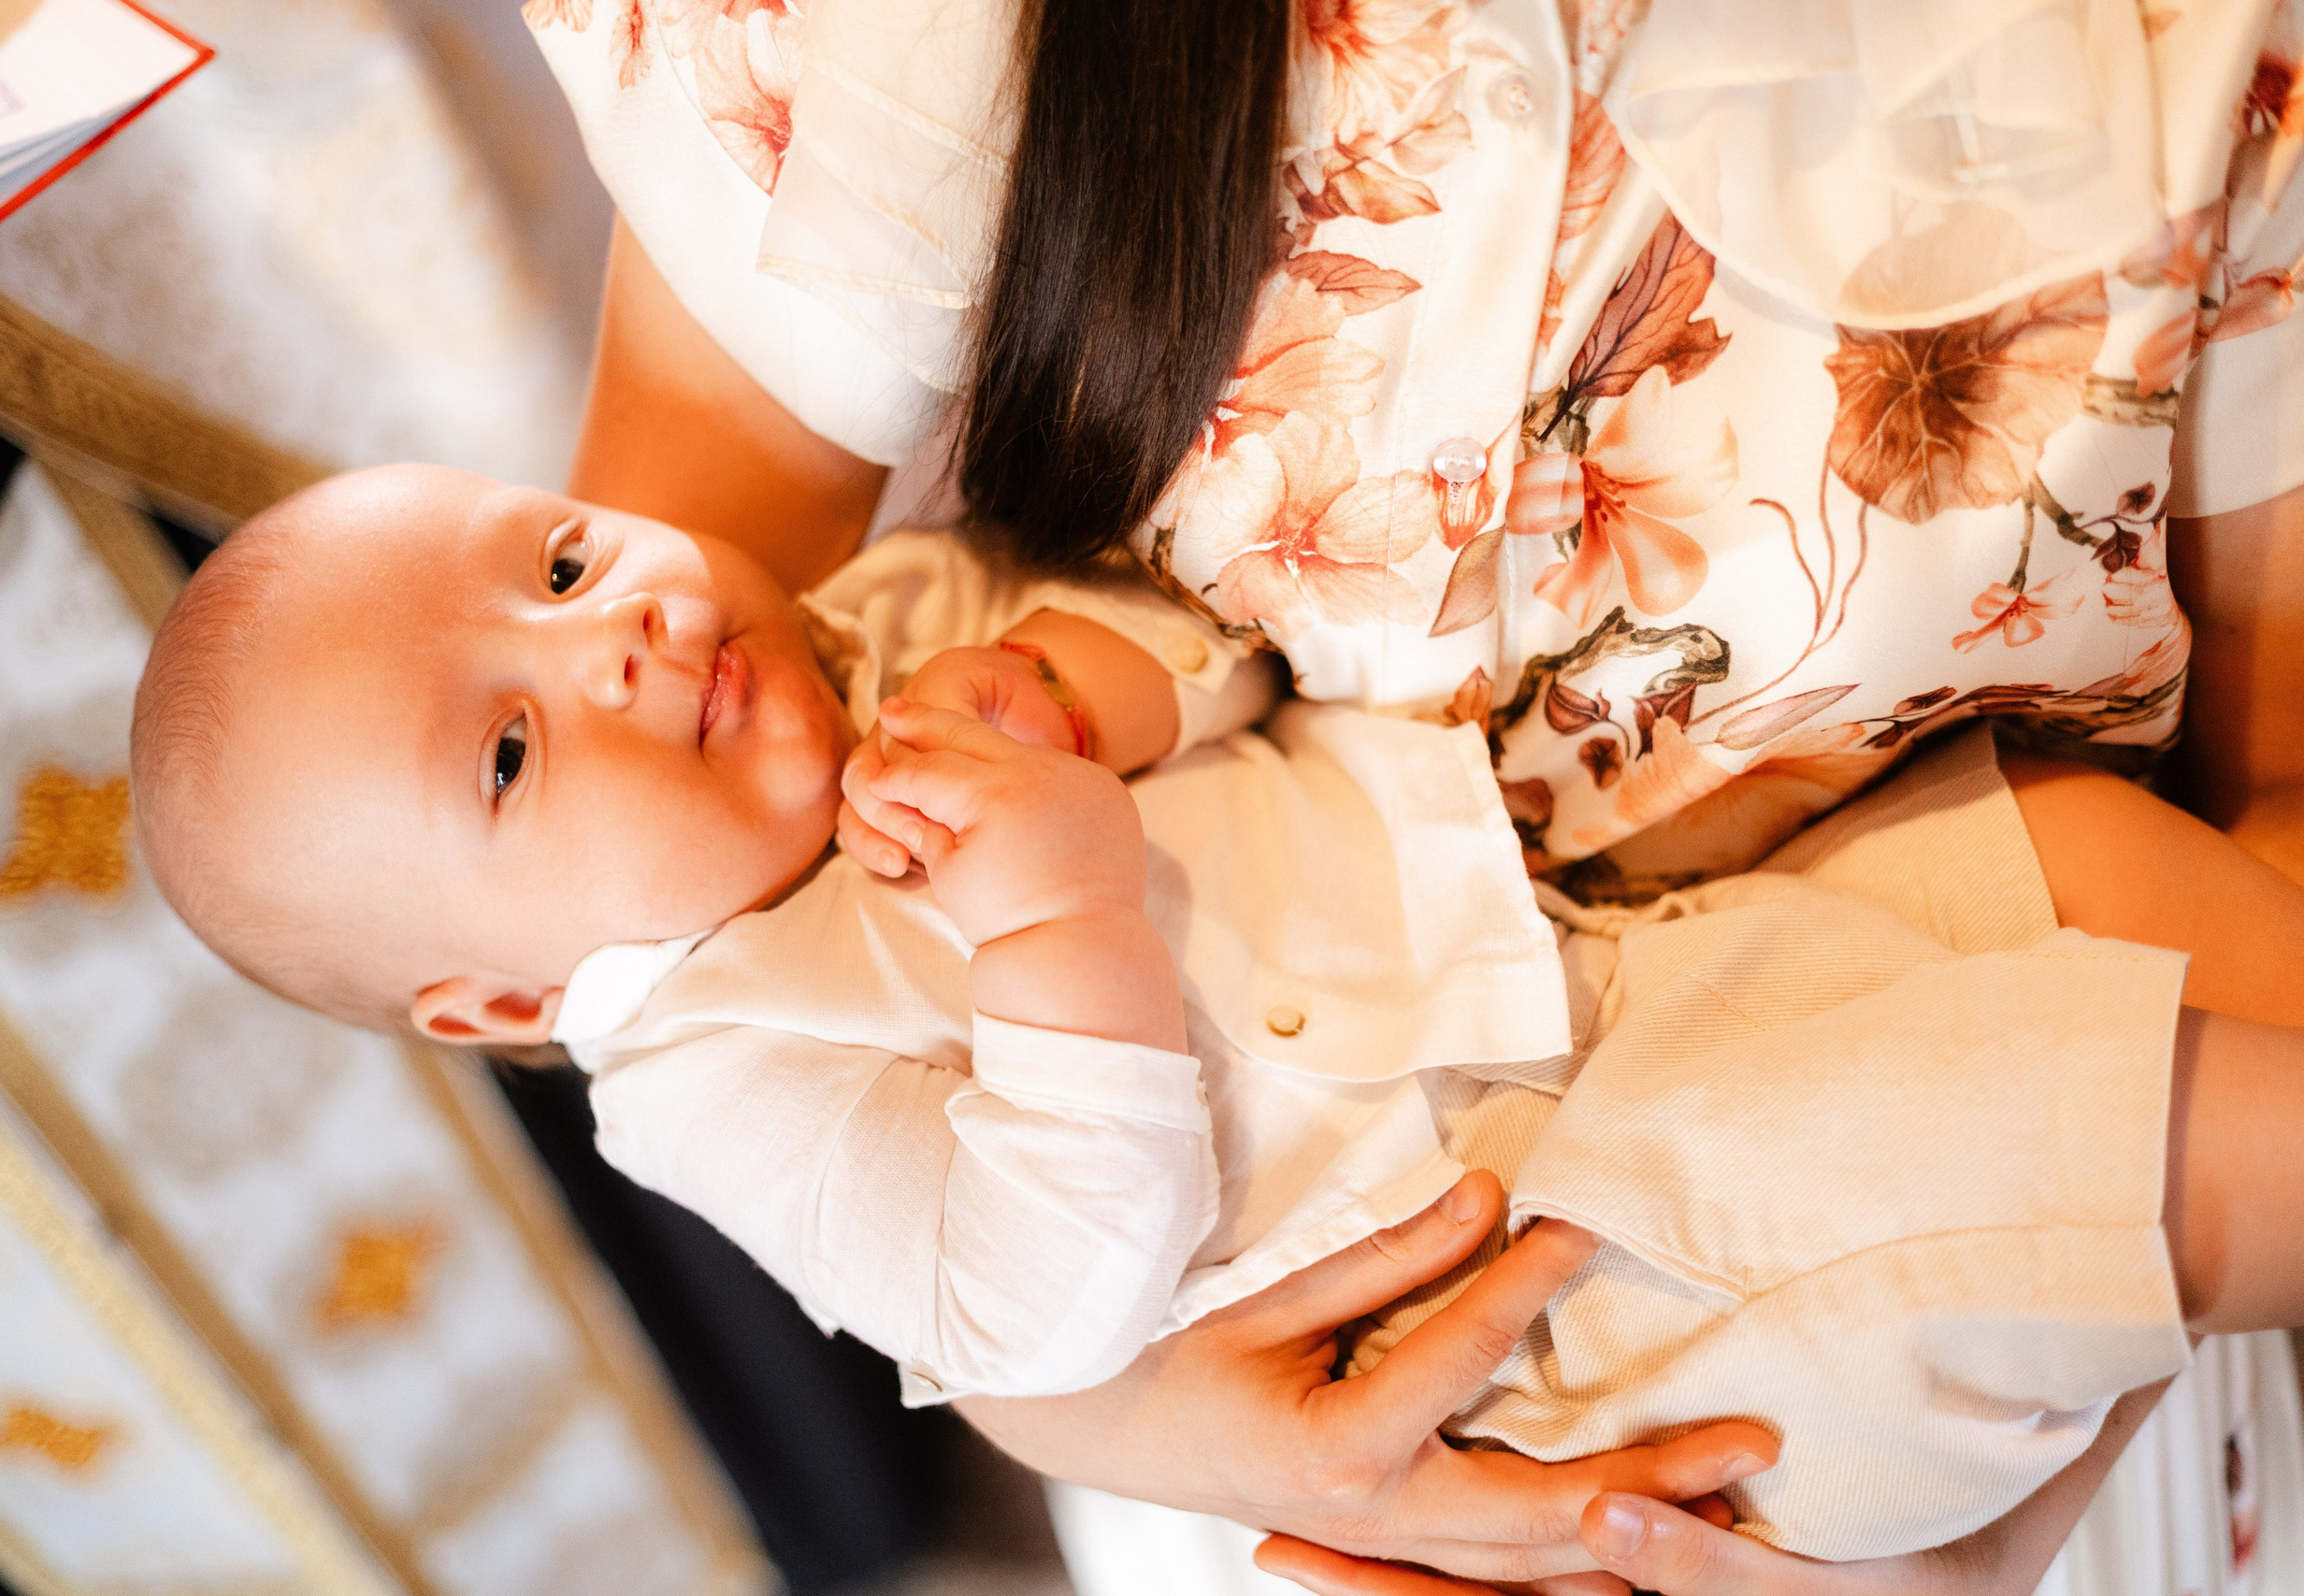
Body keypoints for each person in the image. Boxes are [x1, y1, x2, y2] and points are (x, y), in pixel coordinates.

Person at [522, 0, 2304, 1589]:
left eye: (564, 576)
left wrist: (2012, 1475)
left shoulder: (2191, 58)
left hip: (1901, 1062)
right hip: (1376, 1310)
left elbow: (2275, 819)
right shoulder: (905, 42)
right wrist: (1151, 1419)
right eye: (520, 712)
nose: (609, 635)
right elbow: (626, 911)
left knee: (2074, 913)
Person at [130, 462, 2304, 1567]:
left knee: (2070, 859)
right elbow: (1033, 1306)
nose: (609, 637)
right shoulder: (714, 1066)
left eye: (561, 559)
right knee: (2056, 1140)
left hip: (1631, 966)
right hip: (1556, 1266)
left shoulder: (874, 630)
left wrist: (1081, 686)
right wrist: (1054, 922)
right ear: (510, 994)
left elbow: (1220, 639)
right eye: (510, 748)